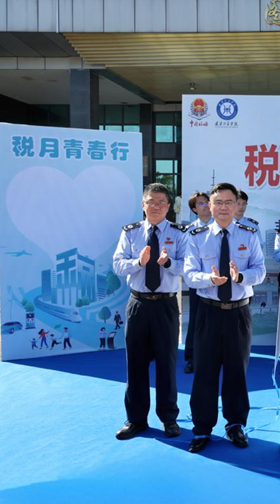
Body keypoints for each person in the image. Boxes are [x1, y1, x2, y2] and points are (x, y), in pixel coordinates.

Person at [184, 182, 266, 453]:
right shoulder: (197, 236)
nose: (223, 207)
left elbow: (260, 270)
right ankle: (202, 428)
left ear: (237, 205)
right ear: (209, 205)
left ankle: (235, 425)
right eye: (217, 202)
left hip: (238, 312)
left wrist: (240, 277)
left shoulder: (249, 235)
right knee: (204, 371)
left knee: (236, 372)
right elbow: (189, 275)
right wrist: (209, 279)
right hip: (208, 312)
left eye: (229, 202)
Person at [112, 182, 188, 441]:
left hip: (166, 305)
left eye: (161, 202)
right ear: (143, 205)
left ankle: (169, 418)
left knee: (167, 362)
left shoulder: (179, 233)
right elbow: (117, 265)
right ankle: (136, 419)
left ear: (168, 207)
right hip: (138, 304)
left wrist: (168, 263)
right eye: (151, 202)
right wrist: (138, 262)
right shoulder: (131, 232)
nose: (156, 206)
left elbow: (187, 267)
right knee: (136, 363)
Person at [183, 191, 214, 374]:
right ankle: (192, 357)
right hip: (198, 281)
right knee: (196, 319)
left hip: (219, 281)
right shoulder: (188, 231)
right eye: (201, 204)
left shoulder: (221, 225)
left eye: (207, 202)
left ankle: (217, 357)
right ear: (194, 209)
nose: (205, 206)